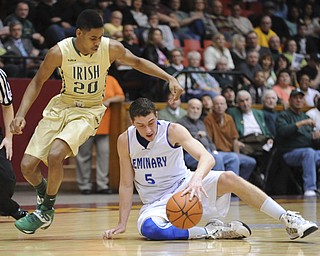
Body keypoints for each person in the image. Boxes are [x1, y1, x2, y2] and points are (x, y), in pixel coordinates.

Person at [9, 9, 183, 235]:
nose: (97, 42)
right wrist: (21, 113)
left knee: (55, 155)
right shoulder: (58, 52)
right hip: (61, 106)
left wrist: (169, 77)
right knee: (27, 168)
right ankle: (44, 193)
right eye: (93, 38)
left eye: (100, 37)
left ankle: (45, 211)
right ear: (79, 33)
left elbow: (138, 62)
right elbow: (37, 81)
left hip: (88, 111)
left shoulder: (110, 48)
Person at [103, 97, 318, 241]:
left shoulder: (173, 130)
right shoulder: (125, 140)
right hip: (154, 202)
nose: (148, 130)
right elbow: (125, 183)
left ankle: (288, 219)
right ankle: (212, 231)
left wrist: (196, 179)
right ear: (132, 122)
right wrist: (122, 223)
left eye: (151, 122)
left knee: (229, 177)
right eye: (141, 125)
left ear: (156, 117)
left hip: (186, 186)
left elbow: (206, 157)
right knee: (151, 230)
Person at [75, 75, 125, 195]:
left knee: (104, 156)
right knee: (83, 156)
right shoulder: (83, 79)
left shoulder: (111, 79)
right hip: (86, 125)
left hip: (105, 127)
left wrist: (109, 100)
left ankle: (102, 184)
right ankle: (84, 185)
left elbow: (121, 96)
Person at [275, 88, 319, 197]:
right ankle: (309, 188)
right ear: (290, 100)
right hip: (290, 153)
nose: (298, 100)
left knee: (311, 152)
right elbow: (282, 132)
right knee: (309, 153)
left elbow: (310, 137)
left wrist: (315, 136)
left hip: (310, 151)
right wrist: (302, 123)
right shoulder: (283, 115)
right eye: (295, 98)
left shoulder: (306, 116)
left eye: (301, 98)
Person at [178, 98, 240, 174]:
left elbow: (210, 141)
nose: (195, 110)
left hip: (208, 151)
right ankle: (220, 184)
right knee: (216, 158)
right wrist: (197, 137)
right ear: (187, 109)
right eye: (193, 108)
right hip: (191, 155)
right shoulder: (181, 124)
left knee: (233, 157)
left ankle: (232, 185)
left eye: (198, 108)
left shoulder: (201, 123)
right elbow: (183, 144)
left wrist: (214, 150)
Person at [204, 95, 256, 181]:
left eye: (222, 104)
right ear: (213, 106)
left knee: (250, 162)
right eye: (217, 104)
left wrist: (237, 153)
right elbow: (209, 140)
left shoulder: (229, 118)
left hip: (230, 152)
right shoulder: (208, 119)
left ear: (226, 106)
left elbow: (234, 139)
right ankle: (226, 187)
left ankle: (238, 186)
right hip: (217, 152)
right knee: (228, 159)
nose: (219, 106)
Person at [0, 68, 28, 220]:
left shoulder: (0, 76)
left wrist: (8, 138)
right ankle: (12, 208)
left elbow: (7, 105)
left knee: (7, 178)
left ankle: (4, 207)